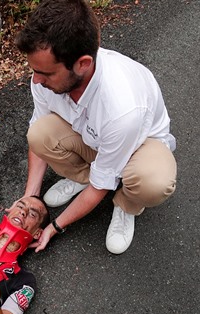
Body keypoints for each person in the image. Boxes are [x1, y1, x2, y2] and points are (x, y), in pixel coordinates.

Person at [11, 0, 177, 254]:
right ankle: (85, 177)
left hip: (139, 147)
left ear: (83, 64)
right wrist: (29, 198)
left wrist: (53, 227)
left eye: (46, 73)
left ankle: (126, 204)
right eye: (34, 70)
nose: (36, 80)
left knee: (153, 182)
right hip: (96, 138)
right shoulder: (44, 78)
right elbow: (39, 131)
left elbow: (101, 187)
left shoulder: (121, 108)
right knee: (39, 135)